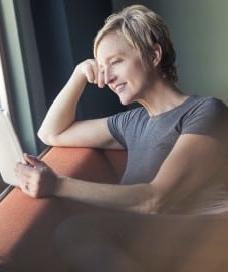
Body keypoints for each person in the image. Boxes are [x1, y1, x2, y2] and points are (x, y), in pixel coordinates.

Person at [15, 4, 228, 271]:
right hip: (162, 242)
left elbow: (154, 199)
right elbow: (51, 132)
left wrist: (56, 185)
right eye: (102, 67)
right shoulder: (131, 123)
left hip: (213, 238)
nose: (106, 78)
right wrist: (80, 73)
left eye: (116, 62)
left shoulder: (206, 111)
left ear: (153, 55)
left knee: (77, 231)